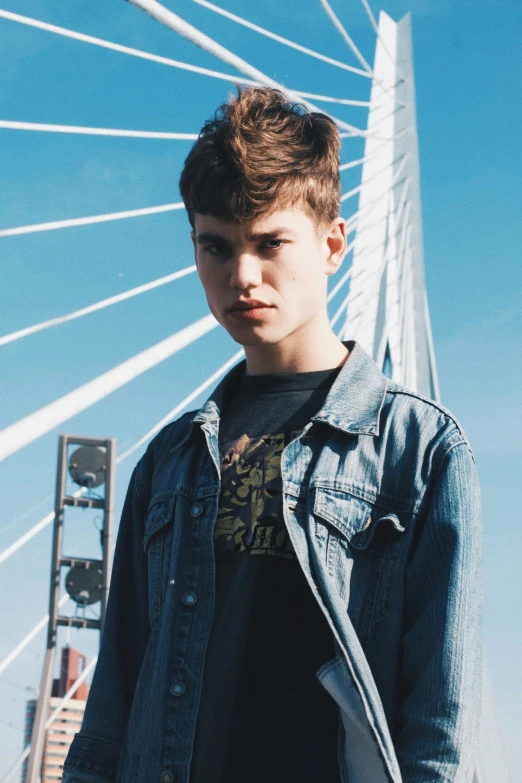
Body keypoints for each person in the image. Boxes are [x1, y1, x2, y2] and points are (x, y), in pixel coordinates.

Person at [63, 87, 482, 783]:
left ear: (333, 243)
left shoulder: (420, 452)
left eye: (269, 242)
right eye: (216, 246)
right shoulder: (168, 462)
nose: (242, 276)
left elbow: (436, 729)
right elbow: (109, 715)